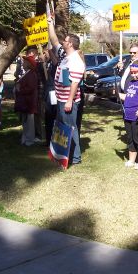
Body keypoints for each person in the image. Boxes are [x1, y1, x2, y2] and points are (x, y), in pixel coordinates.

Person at [47, 15, 86, 165]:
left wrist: (69, 100)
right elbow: (54, 40)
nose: (63, 42)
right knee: (64, 127)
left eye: (66, 40)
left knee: (71, 128)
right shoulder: (64, 55)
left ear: (70, 44)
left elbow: (75, 83)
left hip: (68, 102)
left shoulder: (76, 61)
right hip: (60, 99)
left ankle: (75, 158)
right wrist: (50, 24)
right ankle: (63, 154)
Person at [14, 55, 40, 146]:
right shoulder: (27, 73)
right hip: (25, 101)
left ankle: (29, 140)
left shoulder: (31, 74)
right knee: (25, 122)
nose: (23, 63)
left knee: (29, 122)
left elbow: (30, 88)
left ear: (29, 64)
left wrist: (19, 89)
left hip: (29, 102)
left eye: (25, 62)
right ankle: (25, 138)